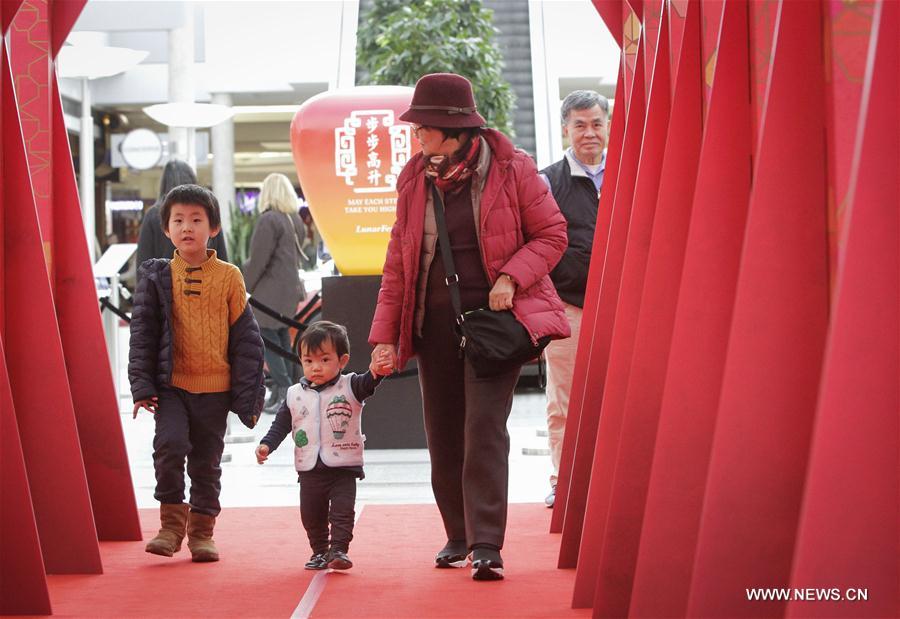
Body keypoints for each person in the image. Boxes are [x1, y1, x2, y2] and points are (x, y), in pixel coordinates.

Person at [367, 73, 570, 581]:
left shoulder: (511, 168)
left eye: (422, 127)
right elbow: (398, 262)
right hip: (432, 323)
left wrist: (511, 276)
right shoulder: (415, 177)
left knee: (482, 428)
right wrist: (384, 338)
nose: (416, 135)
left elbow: (552, 234)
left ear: (451, 130)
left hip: (495, 323)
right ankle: (456, 534)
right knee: (443, 432)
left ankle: (485, 543)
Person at [129, 184, 265, 563]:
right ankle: (171, 527)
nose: (186, 227)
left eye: (196, 220)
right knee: (169, 447)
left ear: (214, 228)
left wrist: (248, 396)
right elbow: (142, 335)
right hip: (171, 387)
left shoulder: (229, 276)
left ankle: (202, 532)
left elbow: (246, 339)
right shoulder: (157, 277)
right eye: (178, 220)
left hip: (215, 389)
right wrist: (142, 386)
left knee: (207, 461)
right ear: (166, 229)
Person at [255, 321, 388, 570]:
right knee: (311, 515)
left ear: (342, 360)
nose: (316, 367)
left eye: (325, 360)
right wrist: (266, 445)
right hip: (309, 470)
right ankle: (319, 551)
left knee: (342, 512)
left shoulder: (350, 386)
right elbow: (281, 424)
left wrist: (376, 371)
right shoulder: (294, 394)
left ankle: (338, 550)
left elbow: (369, 382)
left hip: (343, 469)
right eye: (308, 361)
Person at [538, 91, 609, 508]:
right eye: (580, 125)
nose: (589, 133)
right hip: (569, 308)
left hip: (623, 308)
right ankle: (562, 480)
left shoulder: (630, 172)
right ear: (566, 127)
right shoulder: (547, 181)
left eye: (597, 124)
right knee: (563, 401)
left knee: (622, 398)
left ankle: (612, 479)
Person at [242, 173, 307, 413]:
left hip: (269, 291)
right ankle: (286, 392)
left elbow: (259, 260)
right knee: (281, 338)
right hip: (289, 289)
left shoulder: (268, 220)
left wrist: (243, 285)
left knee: (268, 339)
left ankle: (284, 390)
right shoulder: (295, 220)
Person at [136, 160, 228, 285]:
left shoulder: (153, 214)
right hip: (207, 286)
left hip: (164, 291)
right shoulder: (206, 212)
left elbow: (143, 262)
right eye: (178, 220)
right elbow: (221, 257)